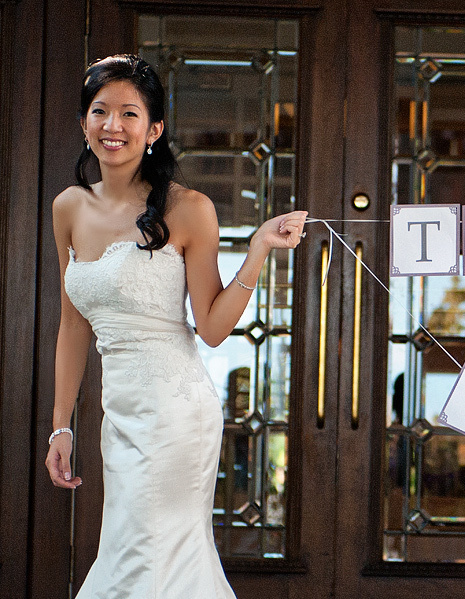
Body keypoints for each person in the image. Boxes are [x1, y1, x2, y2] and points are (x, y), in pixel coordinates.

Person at [44, 54, 307, 598]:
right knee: (134, 554)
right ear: (84, 123)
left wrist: (257, 251)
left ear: (154, 129)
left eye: (129, 114)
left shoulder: (189, 208)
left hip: (174, 411)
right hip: (119, 412)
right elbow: (73, 325)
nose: (112, 126)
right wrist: (60, 425)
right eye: (100, 112)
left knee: (147, 556)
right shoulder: (68, 207)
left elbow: (210, 328)